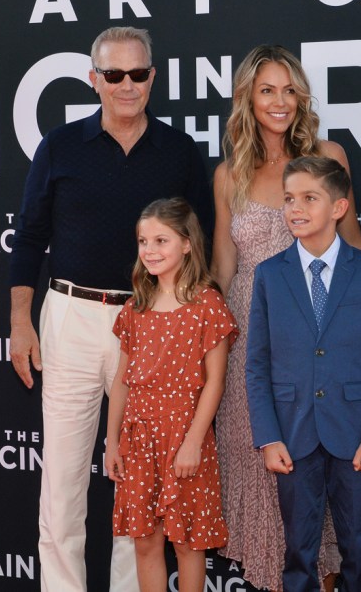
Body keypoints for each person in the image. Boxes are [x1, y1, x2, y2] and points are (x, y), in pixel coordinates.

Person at [8, 27, 213, 592]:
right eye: (114, 74)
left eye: (138, 74)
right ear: (94, 80)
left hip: (151, 327)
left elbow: (204, 243)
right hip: (71, 318)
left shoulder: (179, 152)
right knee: (65, 482)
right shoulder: (60, 146)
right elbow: (28, 239)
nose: (127, 85)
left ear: (153, 77)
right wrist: (21, 323)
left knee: (140, 486)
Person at [210, 44, 361, 591]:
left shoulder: (329, 156)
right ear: (247, 100)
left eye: (289, 89)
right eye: (266, 90)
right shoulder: (229, 174)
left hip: (314, 346)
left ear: (301, 96)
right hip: (247, 350)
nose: (280, 101)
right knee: (261, 473)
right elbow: (223, 269)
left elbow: (355, 250)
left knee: (314, 478)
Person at [246, 156, 361, 591]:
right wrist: (268, 435)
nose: (296, 207)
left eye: (309, 198)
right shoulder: (269, 275)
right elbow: (257, 364)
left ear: (339, 207)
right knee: (298, 552)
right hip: (292, 435)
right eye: (289, 198)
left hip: (355, 435)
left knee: (358, 549)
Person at [105, 198, 237, 592]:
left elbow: (216, 381)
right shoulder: (135, 307)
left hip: (184, 436)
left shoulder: (207, 305)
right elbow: (122, 381)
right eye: (143, 241)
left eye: (161, 240)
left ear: (186, 244)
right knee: (145, 542)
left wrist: (194, 440)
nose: (150, 251)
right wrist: (113, 442)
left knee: (187, 542)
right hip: (139, 438)